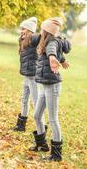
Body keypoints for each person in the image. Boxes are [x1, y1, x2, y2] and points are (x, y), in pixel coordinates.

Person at [29, 17, 71, 161]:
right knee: (36, 115)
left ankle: (56, 155)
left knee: (53, 119)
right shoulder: (49, 40)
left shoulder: (51, 42)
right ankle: (42, 145)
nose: (40, 31)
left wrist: (53, 58)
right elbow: (57, 51)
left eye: (42, 29)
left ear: (47, 31)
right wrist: (62, 59)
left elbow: (52, 50)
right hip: (46, 84)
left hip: (52, 86)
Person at [13, 17, 40, 131]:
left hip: (33, 76)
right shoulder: (23, 40)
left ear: (29, 30)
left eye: (23, 28)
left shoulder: (33, 38)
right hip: (26, 75)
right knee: (24, 99)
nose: (21, 30)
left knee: (35, 102)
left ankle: (40, 128)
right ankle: (21, 125)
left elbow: (42, 36)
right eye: (21, 28)